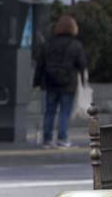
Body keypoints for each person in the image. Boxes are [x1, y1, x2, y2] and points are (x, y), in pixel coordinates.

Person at [34, 15, 87, 148]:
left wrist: (37, 82)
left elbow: (40, 64)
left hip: (50, 82)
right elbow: (82, 64)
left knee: (49, 111)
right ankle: (62, 138)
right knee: (65, 111)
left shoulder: (48, 44)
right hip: (68, 83)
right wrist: (83, 82)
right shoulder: (76, 45)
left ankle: (47, 139)